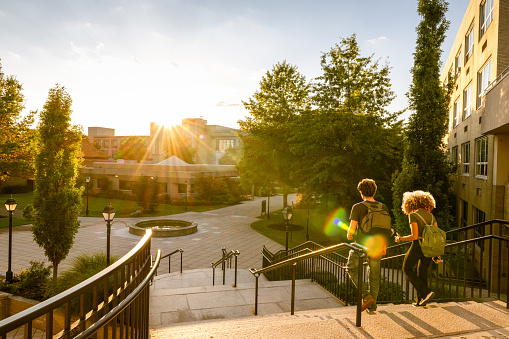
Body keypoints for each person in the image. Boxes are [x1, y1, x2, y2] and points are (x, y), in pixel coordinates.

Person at [346, 178, 391, 312]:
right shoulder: (383, 207)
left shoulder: (358, 207)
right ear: (374, 191)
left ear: (361, 192)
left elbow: (352, 229)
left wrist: (349, 235)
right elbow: (386, 228)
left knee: (351, 268)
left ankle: (366, 296)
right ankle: (372, 305)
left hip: (362, 245)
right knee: (374, 276)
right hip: (378, 245)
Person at [395, 190, 437, 307]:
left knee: (406, 268)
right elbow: (436, 236)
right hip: (429, 247)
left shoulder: (413, 215)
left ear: (412, 203)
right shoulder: (432, 216)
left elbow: (414, 236)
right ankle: (420, 300)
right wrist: (436, 254)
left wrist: (400, 239)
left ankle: (426, 292)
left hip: (418, 246)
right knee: (422, 273)